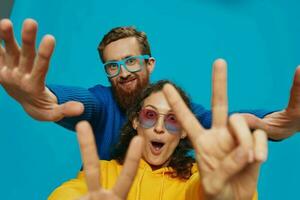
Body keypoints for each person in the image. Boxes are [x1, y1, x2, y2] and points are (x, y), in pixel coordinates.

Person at [0, 18, 299, 160]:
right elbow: (83, 102)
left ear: (150, 63)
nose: (123, 72)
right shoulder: (102, 103)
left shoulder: (174, 108)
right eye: (113, 66)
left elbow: (221, 123)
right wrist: (42, 96)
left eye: (131, 61)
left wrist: (279, 123)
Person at [49, 64, 268, 200]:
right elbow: (72, 192)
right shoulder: (104, 172)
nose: (160, 127)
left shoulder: (198, 178)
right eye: (150, 116)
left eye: (172, 119)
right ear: (135, 121)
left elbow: (207, 193)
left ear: (183, 131)